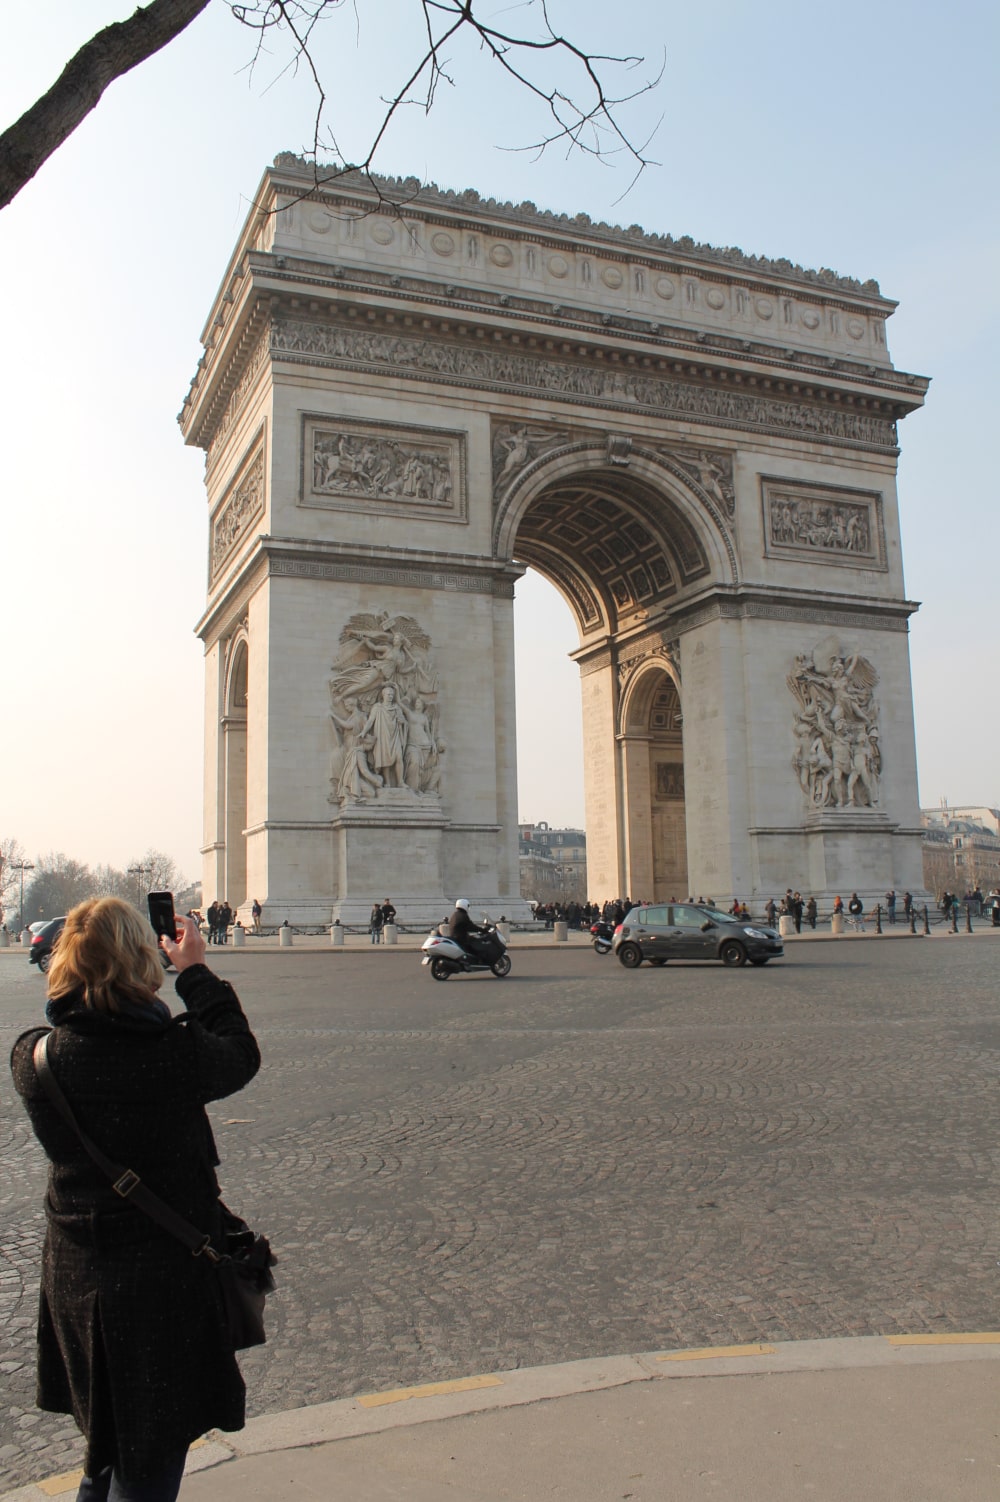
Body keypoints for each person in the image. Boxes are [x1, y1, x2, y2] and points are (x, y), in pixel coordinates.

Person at [9, 897, 260, 1502]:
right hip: (159, 1285)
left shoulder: (35, 1057)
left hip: (76, 1277)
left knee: (103, 1453)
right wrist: (195, 972)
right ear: (140, 959)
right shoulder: (172, 1054)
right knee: (148, 1466)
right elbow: (241, 1052)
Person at [447, 897, 493, 963]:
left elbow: (467, 926)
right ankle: (478, 960)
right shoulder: (463, 915)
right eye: (468, 906)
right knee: (477, 942)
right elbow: (471, 926)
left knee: (472, 939)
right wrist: (482, 930)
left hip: (456, 936)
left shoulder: (456, 914)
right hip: (461, 938)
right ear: (464, 905)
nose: (468, 907)